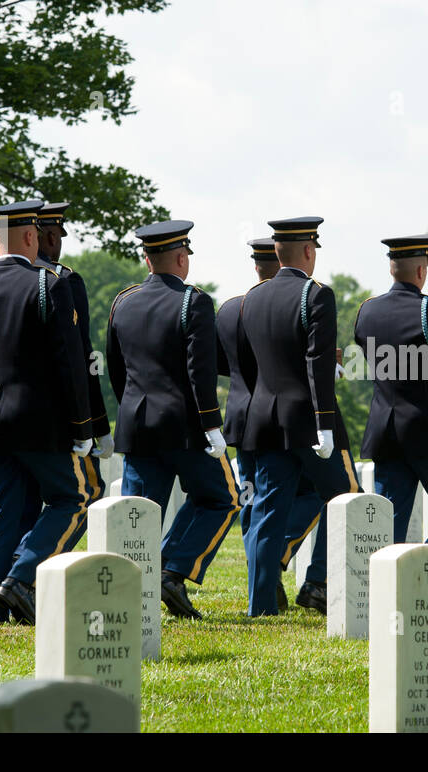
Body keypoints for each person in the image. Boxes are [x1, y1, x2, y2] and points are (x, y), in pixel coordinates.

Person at [0, 199, 99, 625]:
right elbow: (69, 363)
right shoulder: (48, 285)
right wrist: (82, 425)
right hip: (38, 421)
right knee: (77, 498)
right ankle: (20, 578)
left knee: (2, 511)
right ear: (32, 236)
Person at [107, 219, 240, 621]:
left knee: (139, 516)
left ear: (147, 259)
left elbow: (117, 370)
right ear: (181, 258)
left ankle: (129, 593)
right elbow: (200, 370)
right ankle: (173, 569)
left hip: (136, 424)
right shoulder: (193, 302)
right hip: (185, 427)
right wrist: (212, 425)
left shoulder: (122, 301)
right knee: (222, 498)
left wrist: (131, 410)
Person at [239, 217, 358, 617]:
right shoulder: (316, 294)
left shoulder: (251, 299)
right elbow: (316, 362)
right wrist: (325, 422)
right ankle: (318, 582)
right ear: (309, 251)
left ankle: (260, 605)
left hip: (265, 418)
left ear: (276, 252)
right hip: (307, 420)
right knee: (344, 499)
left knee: (269, 512)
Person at [217, 238, 321, 612]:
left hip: (241, 417)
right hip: (277, 416)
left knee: (253, 501)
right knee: (290, 499)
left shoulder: (231, 308)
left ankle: (263, 575)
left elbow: (219, 363)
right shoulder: (289, 303)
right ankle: (270, 567)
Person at [354, 233, 428, 549]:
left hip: (384, 428)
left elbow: (378, 364)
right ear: (421, 271)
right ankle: (425, 571)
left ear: (392, 268)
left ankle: (382, 584)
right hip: (426, 428)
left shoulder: (367, 310)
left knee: (389, 514)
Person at [36, 202, 114, 460]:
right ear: (50, 236)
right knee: (81, 496)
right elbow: (84, 358)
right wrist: (98, 424)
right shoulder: (64, 281)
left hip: (0, 427)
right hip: (64, 421)